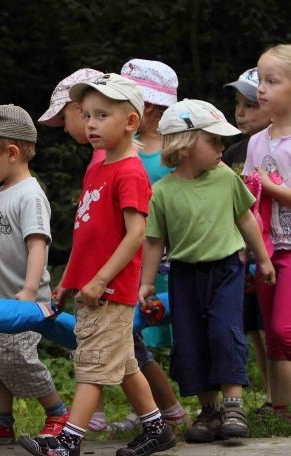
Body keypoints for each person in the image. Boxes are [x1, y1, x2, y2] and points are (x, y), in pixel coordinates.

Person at [20, 73, 175, 456]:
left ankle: (68, 441)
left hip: (110, 288)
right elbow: (86, 233)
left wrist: (101, 277)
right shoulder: (97, 167)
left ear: (131, 122)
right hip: (90, 284)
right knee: (124, 363)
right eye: (87, 115)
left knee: (90, 364)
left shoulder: (130, 171)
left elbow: (137, 234)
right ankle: (157, 428)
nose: (91, 124)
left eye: (102, 115)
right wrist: (69, 279)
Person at [140, 99, 275, 443]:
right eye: (213, 140)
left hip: (227, 270)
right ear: (184, 146)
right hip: (183, 275)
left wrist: (263, 259)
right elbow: (154, 241)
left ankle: (233, 406)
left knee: (224, 331)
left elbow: (247, 218)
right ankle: (210, 411)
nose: (221, 147)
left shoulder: (225, 177)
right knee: (189, 340)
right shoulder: (162, 192)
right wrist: (146, 283)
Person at [0, 105, 69, 446]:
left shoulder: (30, 194)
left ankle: (57, 412)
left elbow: (38, 245)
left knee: (17, 359)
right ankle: (2, 423)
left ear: (13, 152)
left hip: (23, 301)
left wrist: (30, 290)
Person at [103, 58, 186, 433]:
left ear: (145, 107)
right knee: (133, 333)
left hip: (168, 260)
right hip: (130, 260)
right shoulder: (121, 150)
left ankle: (178, 405)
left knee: (173, 333)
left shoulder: (174, 154)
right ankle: (151, 407)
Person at [244, 43, 291, 424]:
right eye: (260, 79)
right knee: (270, 333)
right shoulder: (257, 141)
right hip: (265, 248)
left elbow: (266, 188)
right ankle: (280, 410)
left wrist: (268, 188)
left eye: (272, 81)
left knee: (283, 328)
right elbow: (247, 195)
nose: (261, 89)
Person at [222, 67, 273, 412]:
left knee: (275, 326)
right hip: (241, 254)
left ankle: (279, 397)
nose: (240, 112)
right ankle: (271, 393)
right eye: (238, 104)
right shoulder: (232, 153)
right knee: (252, 325)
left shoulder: (278, 147)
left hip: (273, 247)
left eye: (250, 104)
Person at [38, 68, 105, 169]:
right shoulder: (111, 151)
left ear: (80, 107)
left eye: (63, 117)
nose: (65, 129)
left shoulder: (110, 157)